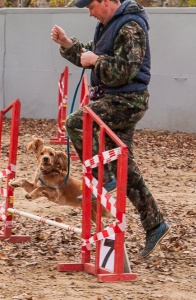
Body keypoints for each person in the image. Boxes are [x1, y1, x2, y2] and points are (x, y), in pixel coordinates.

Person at [50, 0, 170, 258]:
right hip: (114, 99)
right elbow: (90, 56)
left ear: (106, 1)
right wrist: (68, 45)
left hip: (127, 100)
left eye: (91, 6)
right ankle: (155, 223)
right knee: (125, 167)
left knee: (76, 122)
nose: (89, 12)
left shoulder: (131, 26)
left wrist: (96, 60)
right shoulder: (107, 25)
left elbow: (126, 70)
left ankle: (100, 178)